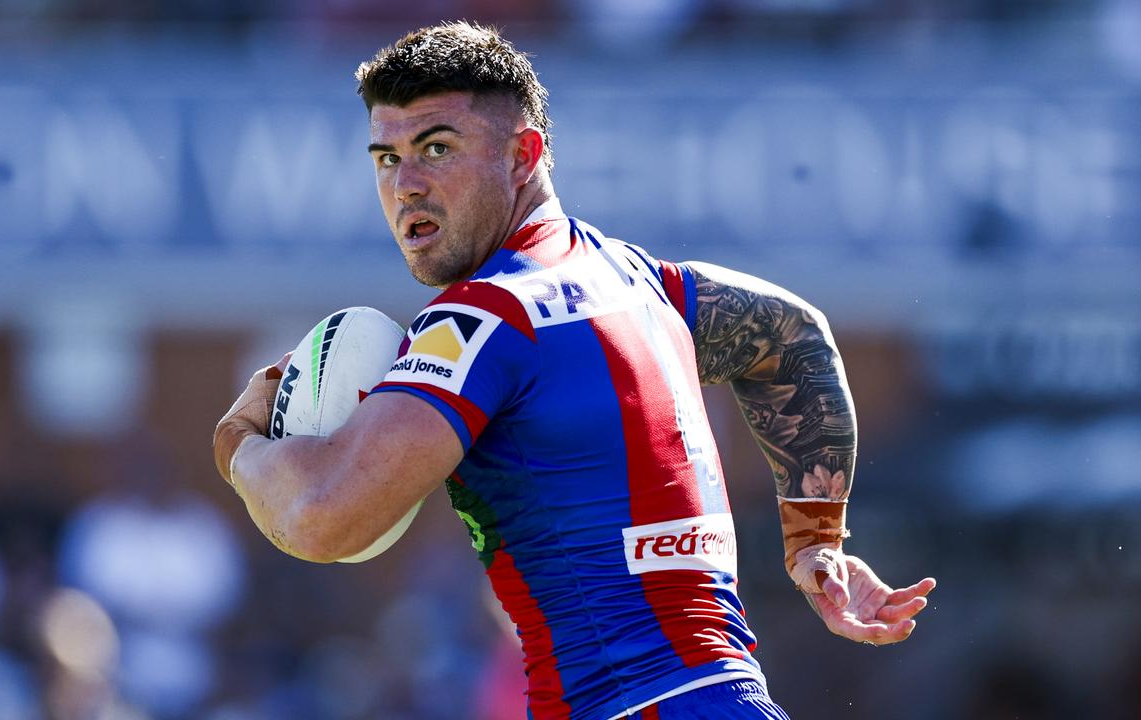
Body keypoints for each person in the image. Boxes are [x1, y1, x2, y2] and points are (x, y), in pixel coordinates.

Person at [213, 21, 936, 720]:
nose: (406, 185)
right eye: (385, 158)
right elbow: (792, 333)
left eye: (436, 148)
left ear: (523, 155)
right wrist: (815, 541)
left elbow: (323, 518)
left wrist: (238, 440)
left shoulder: (486, 316)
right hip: (722, 697)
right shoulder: (636, 282)